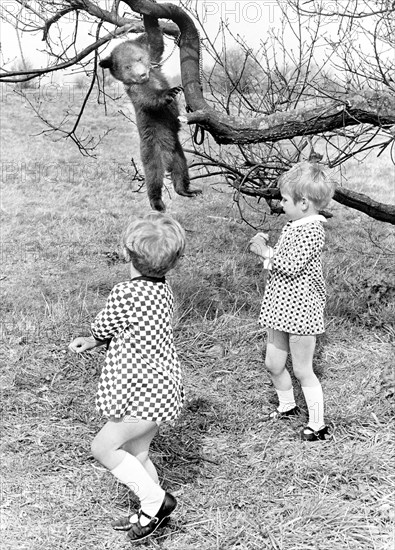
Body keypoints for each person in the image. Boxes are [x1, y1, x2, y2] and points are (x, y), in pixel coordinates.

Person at [69, 211, 186, 541]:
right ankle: (151, 513)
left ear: (127, 253)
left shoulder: (126, 293)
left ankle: (156, 501)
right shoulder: (164, 291)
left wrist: (92, 338)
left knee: (103, 447)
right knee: (138, 454)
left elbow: (105, 325)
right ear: (171, 263)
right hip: (162, 387)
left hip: (140, 391)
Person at [249, 162, 335, 442]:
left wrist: (264, 251)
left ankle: (319, 425)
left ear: (304, 203)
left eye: (285, 199)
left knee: (302, 369)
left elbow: (290, 265)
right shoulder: (296, 224)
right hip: (279, 309)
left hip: (301, 312)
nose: (280, 204)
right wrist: (268, 249)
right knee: (274, 363)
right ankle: (287, 405)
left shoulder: (312, 230)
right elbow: (284, 260)